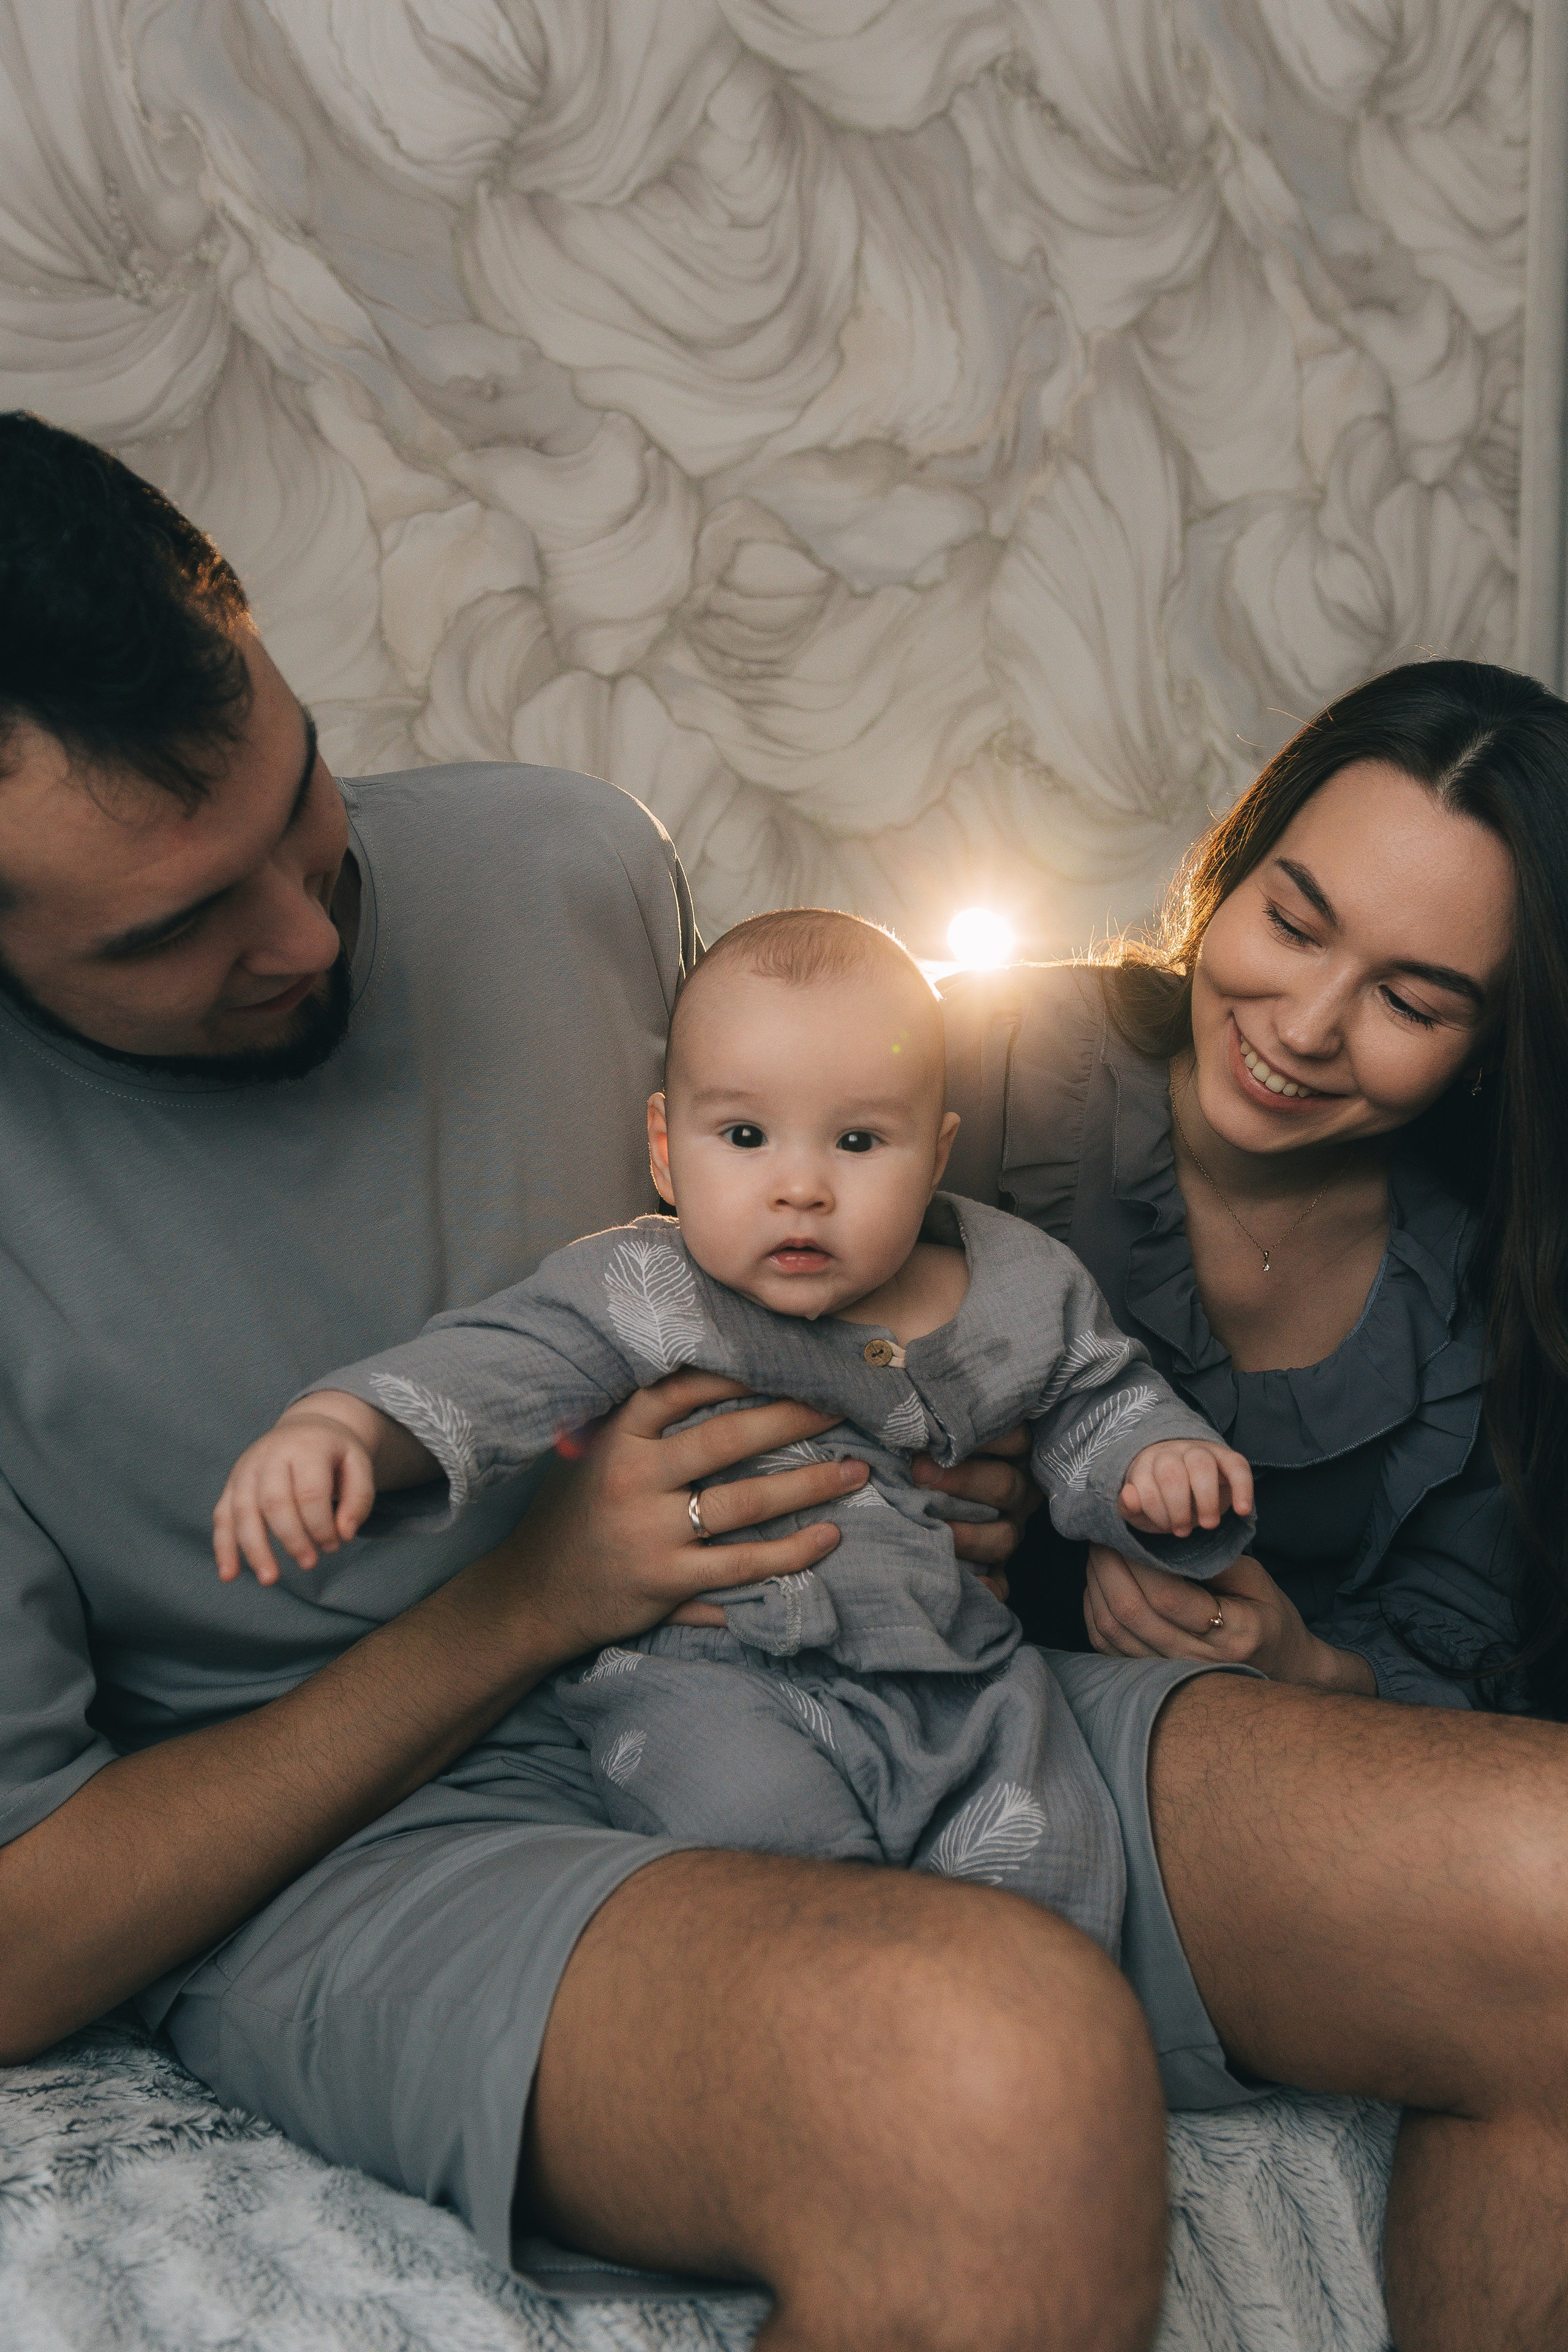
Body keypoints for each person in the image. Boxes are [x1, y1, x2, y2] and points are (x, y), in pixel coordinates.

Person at [0, 412, 1167, 2352]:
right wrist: (530, 1602)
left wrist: (950, 1440)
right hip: (366, 1857)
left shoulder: (567, 860)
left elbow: (788, 1248)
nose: (304, 934)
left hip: (861, 1668)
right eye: (176, 927)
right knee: (995, 2080)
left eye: (299, 805)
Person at [214, 908, 1255, 1959]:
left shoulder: (1022, 1286)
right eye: (745, 1137)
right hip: (712, 1676)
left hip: (963, 1677)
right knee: (768, 1851)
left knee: (1055, 1863)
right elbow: (491, 1369)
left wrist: (1155, 1462)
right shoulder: (644, 1288)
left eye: (857, 1141)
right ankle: (835, 2013)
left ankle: (1027, 2018)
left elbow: (1097, 1392)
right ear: (667, 1150)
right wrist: (343, 1426)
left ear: (935, 1153)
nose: (800, 1186)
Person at [937, 660, 1568, 2348]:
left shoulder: (1496, 1273)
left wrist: (1297, 1661)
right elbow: (713, 1273)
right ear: (1235, 864)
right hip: (913, 1724)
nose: (1303, 1026)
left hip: (1248, 1787)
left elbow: (1464, 1662)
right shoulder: (987, 1056)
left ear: (1503, 1045)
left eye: (1414, 1000)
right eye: (1294, 920)